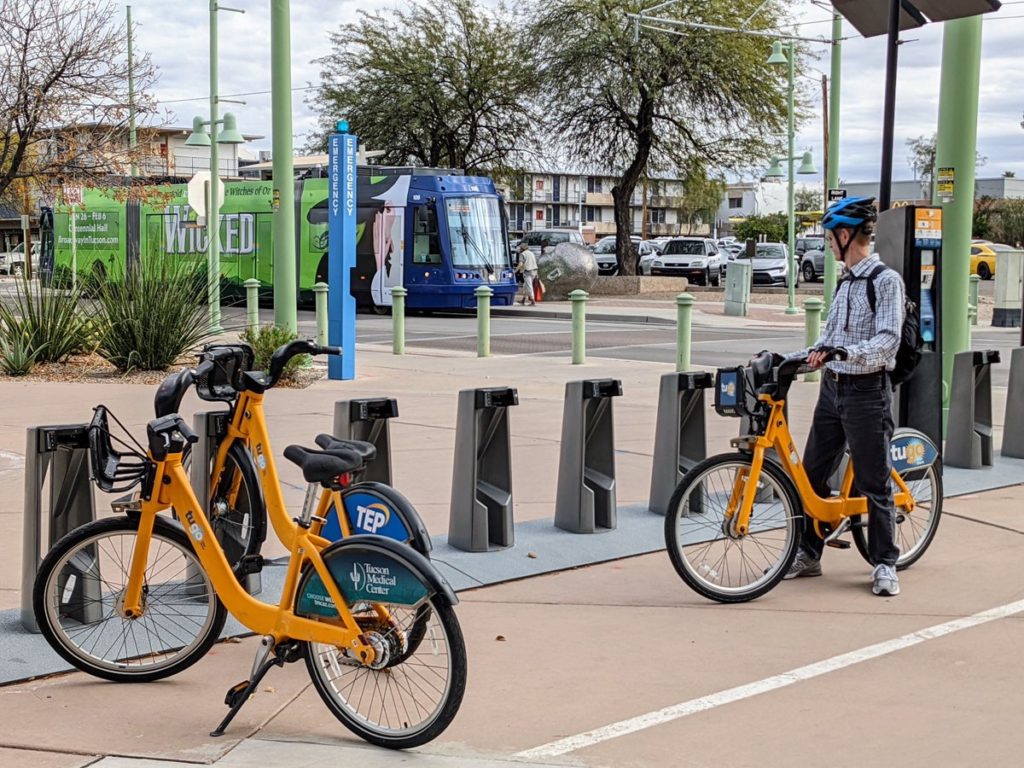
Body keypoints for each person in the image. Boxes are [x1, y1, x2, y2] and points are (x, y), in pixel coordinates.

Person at [783, 196, 906, 597]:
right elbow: (828, 340)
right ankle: (810, 554)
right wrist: (790, 359)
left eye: (829, 237)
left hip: (867, 392)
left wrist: (847, 353)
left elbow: (887, 341)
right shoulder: (846, 282)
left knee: (874, 482)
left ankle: (886, 562)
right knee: (812, 475)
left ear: (845, 234)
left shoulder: (886, 281)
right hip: (832, 389)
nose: (826, 246)